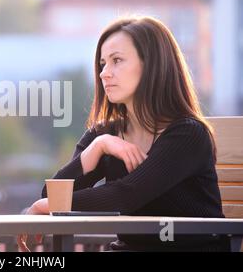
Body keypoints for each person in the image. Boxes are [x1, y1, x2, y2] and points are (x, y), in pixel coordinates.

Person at [18, 16, 230, 252]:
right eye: (102, 64)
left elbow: (126, 195)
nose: (104, 73)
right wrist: (98, 147)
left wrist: (45, 205)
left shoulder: (188, 135)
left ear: (151, 65)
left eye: (116, 60)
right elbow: (52, 194)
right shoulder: (105, 134)